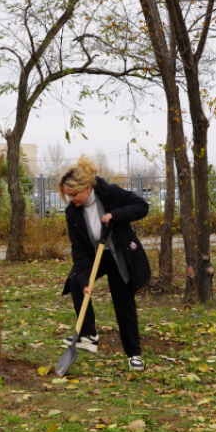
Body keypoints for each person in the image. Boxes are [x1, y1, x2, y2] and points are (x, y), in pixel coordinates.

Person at [59, 156, 151, 371]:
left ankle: (134, 354)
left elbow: (141, 206)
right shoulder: (72, 212)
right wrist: (85, 280)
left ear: (87, 188)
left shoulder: (111, 193)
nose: (71, 199)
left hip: (119, 254)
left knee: (123, 302)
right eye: (67, 195)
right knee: (75, 281)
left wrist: (115, 215)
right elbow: (79, 249)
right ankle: (89, 335)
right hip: (95, 256)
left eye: (74, 194)